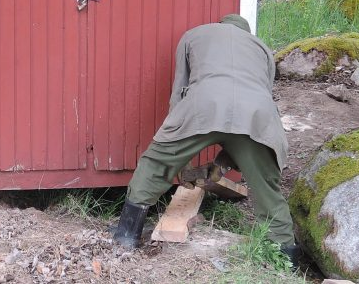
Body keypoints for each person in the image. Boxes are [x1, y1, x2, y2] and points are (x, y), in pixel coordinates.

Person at [112, 14, 298, 264]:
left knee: (155, 165)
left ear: (220, 26)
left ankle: (127, 235)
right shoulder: (262, 48)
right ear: (246, 32)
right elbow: (260, 95)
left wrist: (175, 142)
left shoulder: (194, 35)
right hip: (256, 115)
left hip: (203, 104)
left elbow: (179, 89)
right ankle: (286, 257)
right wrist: (224, 165)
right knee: (267, 189)